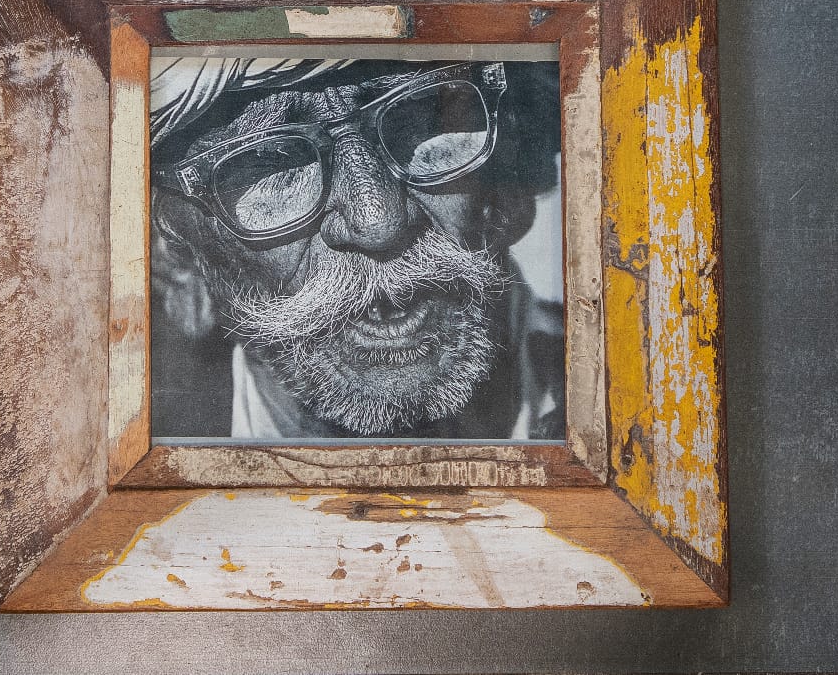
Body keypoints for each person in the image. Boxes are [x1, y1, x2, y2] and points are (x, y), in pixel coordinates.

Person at [148, 56, 564, 440]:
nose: (379, 223)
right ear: (176, 256)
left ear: (515, 172)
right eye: (272, 163)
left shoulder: (601, 393)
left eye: (421, 121)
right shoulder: (144, 447)